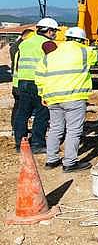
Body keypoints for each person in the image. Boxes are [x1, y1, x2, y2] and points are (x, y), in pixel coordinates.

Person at [35, 27, 98, 172]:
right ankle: (70, 163)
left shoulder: (51, 55)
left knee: (55, 128)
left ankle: (51, 160)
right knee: (73, 130)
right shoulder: (84, 51)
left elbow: (39, 76)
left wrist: (42, 94)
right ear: (82, 40)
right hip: (74, 97)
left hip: (52, 97)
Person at [12, 18, 58, 154]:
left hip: (22, 82)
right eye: (54, 31)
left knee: (22, 113)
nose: (54, 34)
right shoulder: (47, 44)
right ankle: (37, 143)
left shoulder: (24, 43)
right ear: (49, 31)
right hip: (38, 82)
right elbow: (52, 64)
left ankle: (20, 143)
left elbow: (17, 63)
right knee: (42, 113)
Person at [10, 28, 34, 125]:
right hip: (22, 82)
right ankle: (18, 129)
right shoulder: (21, 47)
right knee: (21, 109)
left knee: (18, 107)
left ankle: (15, 128)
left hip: (17, 82)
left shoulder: (16, 46)